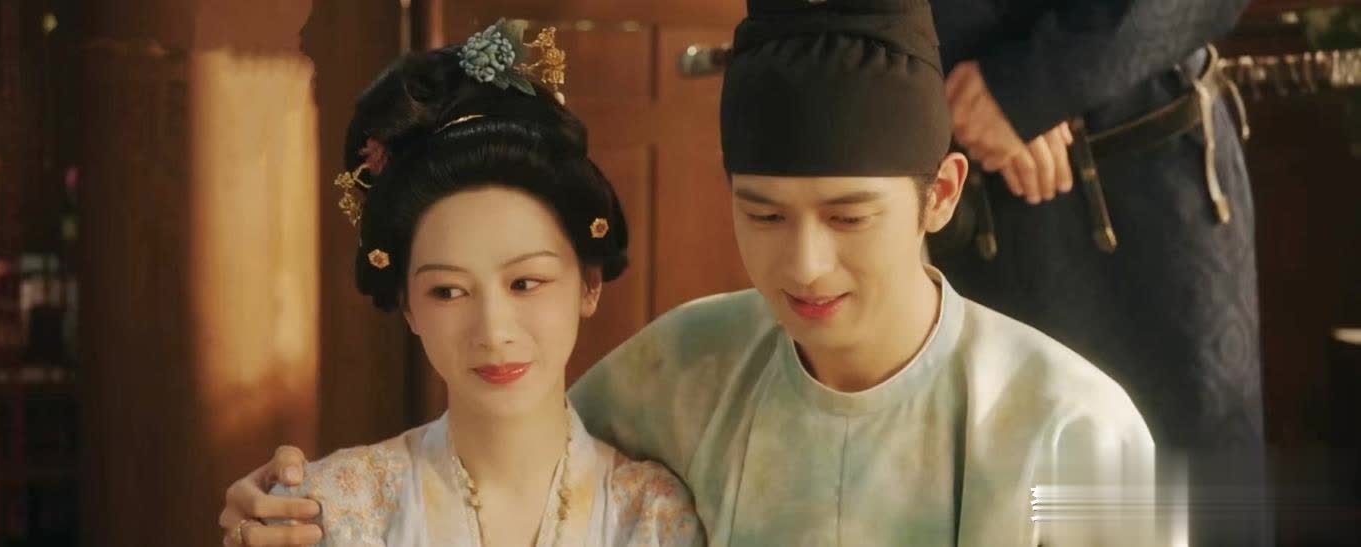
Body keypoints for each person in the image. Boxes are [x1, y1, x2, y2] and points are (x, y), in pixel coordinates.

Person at [220, 3, 1159, 545]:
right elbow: (505, 436)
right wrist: (292, 503)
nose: (803, 264)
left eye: (848, 216)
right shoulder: (686, 365)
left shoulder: (1073, 426)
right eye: (764, 214)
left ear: (940, 193)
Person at [218, 20, 704, 547]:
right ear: (407, 304)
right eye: (448, 291)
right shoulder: (335, 506)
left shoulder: (651, 517)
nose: (493, 331)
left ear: (589, 283)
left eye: (525, 283)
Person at [930, 1, 1269, 543]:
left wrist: (1028, 85)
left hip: (1152, 192)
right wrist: (955, 72)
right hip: (963, 186)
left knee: (1196, 506)